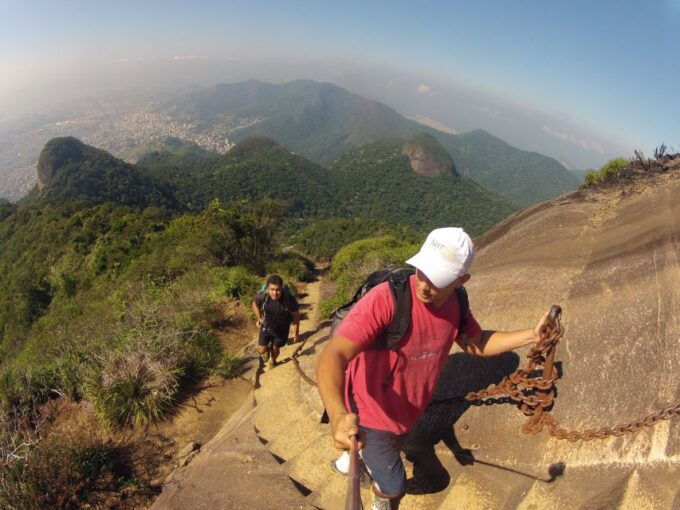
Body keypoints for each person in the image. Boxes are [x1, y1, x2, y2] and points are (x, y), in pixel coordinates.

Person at [316, 227, 551, 510]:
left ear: (461, 280)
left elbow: (475, 343)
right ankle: (382, 498)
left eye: (438, 278)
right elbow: (334, 354)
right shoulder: (386, 299)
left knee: (388, 451)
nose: (424, 283)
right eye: (422, 270)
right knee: (394, 486)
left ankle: (361, 462)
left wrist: (532, 336)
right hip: (370, 412)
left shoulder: (457, 304)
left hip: (406, 411)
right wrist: (339, 414)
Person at [252, 274, 300, 369]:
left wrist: (296, 332)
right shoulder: (263, 296)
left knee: (275, 349)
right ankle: (268, 349)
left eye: (277, 289)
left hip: (281, 329)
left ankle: (273, 360)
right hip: (266, 326)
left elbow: (296, 315)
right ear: (268, 288)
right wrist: (259, 318)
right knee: (262, 350)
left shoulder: (289, 299)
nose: (275, 293)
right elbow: (255, 304)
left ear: (281, 288)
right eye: (272, 289)